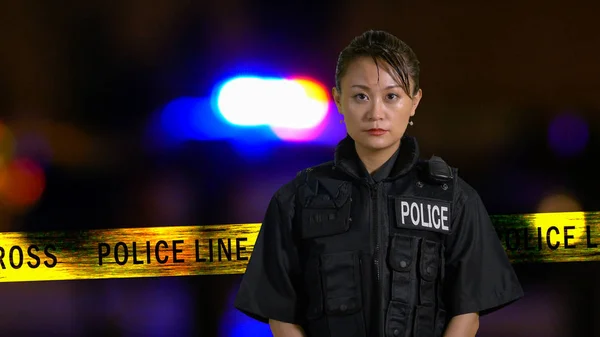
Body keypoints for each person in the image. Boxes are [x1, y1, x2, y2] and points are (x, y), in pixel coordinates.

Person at [234, 29, 524, 337]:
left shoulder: (452, 198)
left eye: (392, 96)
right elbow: (280, 315)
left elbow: (468, 313)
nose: (376, 113)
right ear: (339, 100)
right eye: (360, 96)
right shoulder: (296, 200)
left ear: (414, 102)